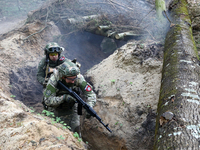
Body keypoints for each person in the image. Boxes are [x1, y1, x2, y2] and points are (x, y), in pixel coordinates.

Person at [43, 61, 96, 133]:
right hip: (55, 108)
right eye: (70, 79)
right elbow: (48, 101)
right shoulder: (54, 80)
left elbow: (91, 94)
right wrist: (63, 98)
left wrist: (90, 106)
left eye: (74, 79)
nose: (73, 82)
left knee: (76, 132)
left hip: (72, 107)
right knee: (55, 132)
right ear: (63, 77)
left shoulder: (78, 78)